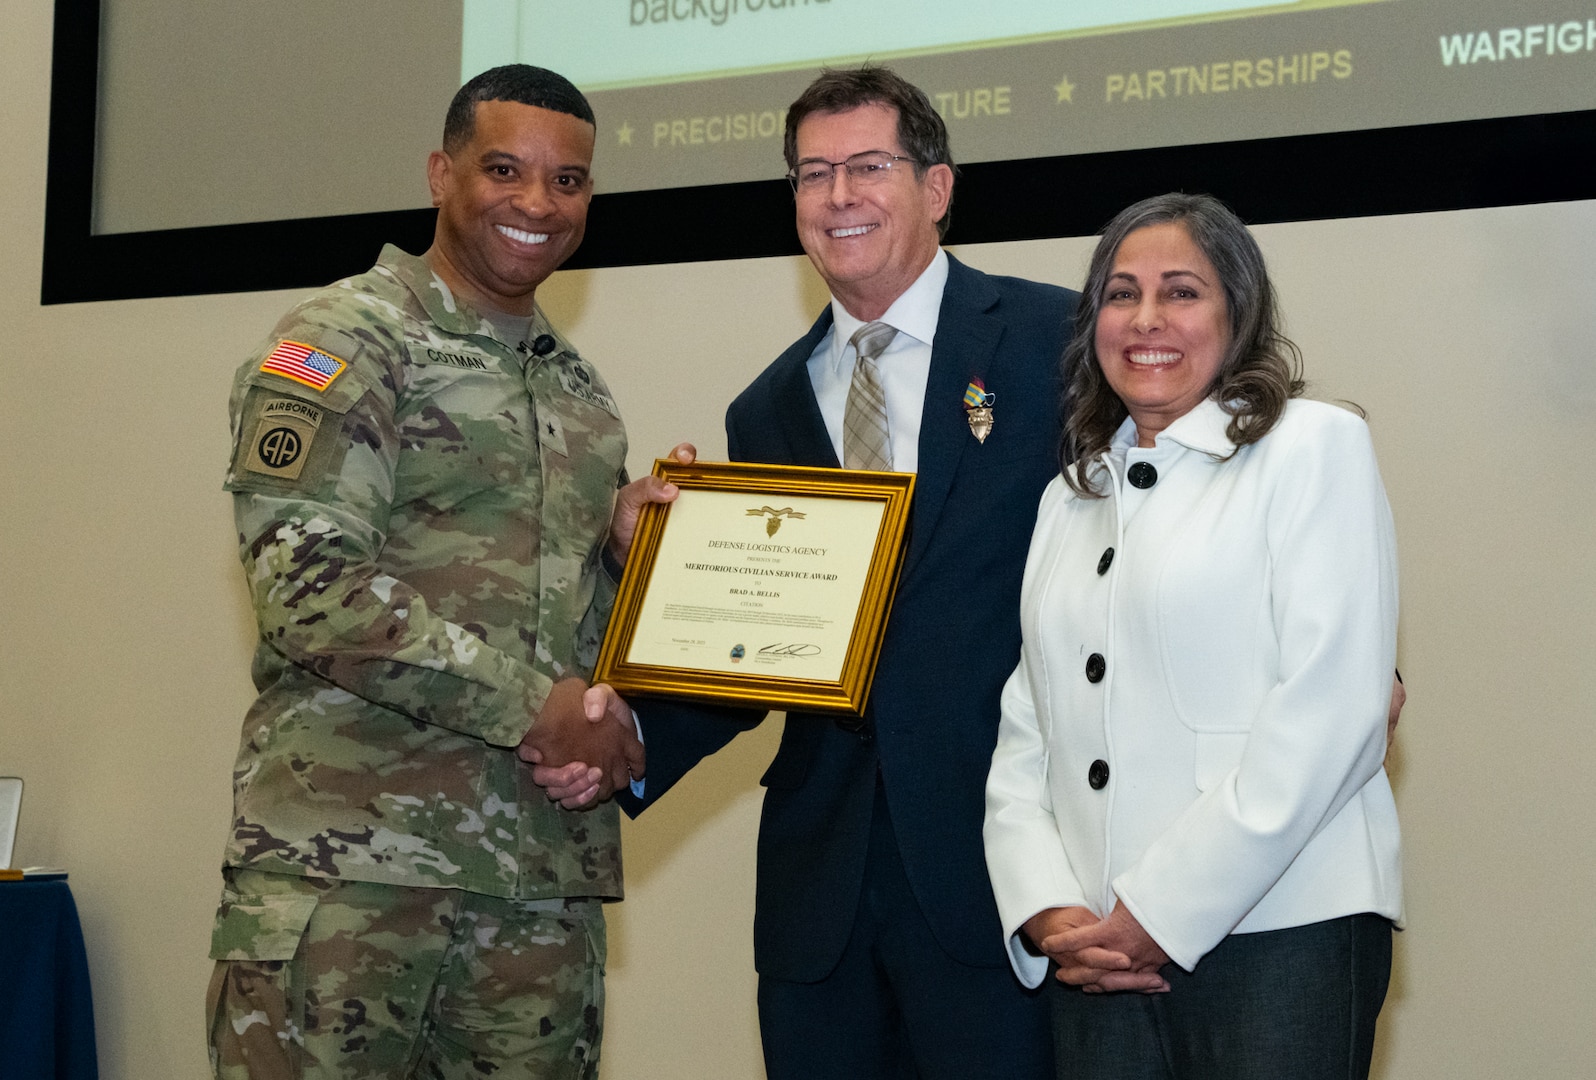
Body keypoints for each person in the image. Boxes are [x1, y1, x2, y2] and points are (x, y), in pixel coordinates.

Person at [532, 65, 1078, 1077]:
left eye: (868, 167)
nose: (839, 197)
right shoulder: (769, 407)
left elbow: (1160, 528)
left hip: (1001, 876)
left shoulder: (1058, 342)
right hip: (819, 900)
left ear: (938, 187)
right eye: (813, 174)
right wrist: (632, 735)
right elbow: (773, 643)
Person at [206, 64, 667, 1080]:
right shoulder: (344, 339)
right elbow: (308, 589)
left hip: (540, 897)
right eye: (505, 169)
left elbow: (560, 635)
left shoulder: (584, 395)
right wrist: (540, 707)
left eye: (569, 181)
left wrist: (630, 589)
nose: (538, 204)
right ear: (439, 172)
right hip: (353, 887)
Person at [983, 192, 1402, 1079]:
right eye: (1120, 293)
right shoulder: (1072, 494)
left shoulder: (1311, 448)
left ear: (1237, 313)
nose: (1145, 320)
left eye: (1181, 292)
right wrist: (1047, 906)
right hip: (1097, 954)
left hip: (1282, 933)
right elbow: (1030, 724)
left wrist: (1161, 912)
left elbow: (1336, 707)